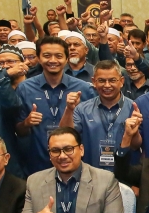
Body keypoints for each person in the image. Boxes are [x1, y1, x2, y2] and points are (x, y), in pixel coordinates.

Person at [15, 36, 96, 173]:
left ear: (66, 59)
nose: (53, 60)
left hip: (74, 164)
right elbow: (18, 130)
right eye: (47, 55)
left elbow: (91, 129)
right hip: (37, 165)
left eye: (58, 56)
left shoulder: (83, 89)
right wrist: (27, 123)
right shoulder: (24, 88)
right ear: (39, 58)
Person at [62, 60, 133, 171]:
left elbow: (139, 145)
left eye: (112, 80)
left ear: (122, 81)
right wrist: (69, 110)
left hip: (125, 175)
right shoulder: (82, 109)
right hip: (90, 175)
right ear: (94, 82)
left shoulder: (134, 108)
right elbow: (65, 136)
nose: (107, 85)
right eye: (101, 81)